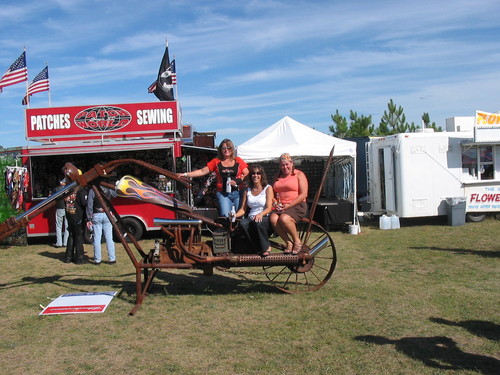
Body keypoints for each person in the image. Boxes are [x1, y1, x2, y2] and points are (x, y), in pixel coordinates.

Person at [177, 139, 249, 217]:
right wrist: (185, 174)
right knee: (226, 216)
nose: (226, 150)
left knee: (238, 216)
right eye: (223, 148)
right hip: (223, 194)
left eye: (228, 148)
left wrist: (238, 180)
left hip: (238, 193)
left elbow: (246, 173)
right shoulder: (216, 161)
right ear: (220, 150)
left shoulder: (238, 160)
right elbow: (202, 171)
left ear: (232, 149)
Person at [270, 153, 309, 255]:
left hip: (297, 205)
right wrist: (275, 203)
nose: (285, 167)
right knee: (273, 218)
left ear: (291, 163)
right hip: (281, 206)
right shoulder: (277, 176)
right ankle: (288, 242)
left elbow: (304, 194)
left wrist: (290, 205)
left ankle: (297, 241)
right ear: (279, 166)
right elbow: (272, 194)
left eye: (287, 164)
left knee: (284, 218)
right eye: (282, 165)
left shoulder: (299, 174)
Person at [234, 165, 274, 256]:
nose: (255, 175)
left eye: (258, 173)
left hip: (264, 217)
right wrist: (234, 215)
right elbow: (243, 209)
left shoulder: (268, 188)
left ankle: (266, 247)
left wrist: (261, 214)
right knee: (243, 223)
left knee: (257, 222)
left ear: (262, 175)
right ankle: (255, 248)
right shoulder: (247, 190)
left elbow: (269, 208)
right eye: (253, 173)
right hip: (251, 217)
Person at [86, 185, 117, 265]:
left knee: (97, 238)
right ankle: (112, 259)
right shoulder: (109, 189)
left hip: (97, 214)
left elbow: (89, 205)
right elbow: (116, 194)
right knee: (109, 238)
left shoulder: (92, 190)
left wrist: (89, 218)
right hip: (107, 213)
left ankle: (97, 259)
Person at [64, 185, 88, 264]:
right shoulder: (80, 190)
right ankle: (79, 258)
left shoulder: (67, 190)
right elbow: (84, 203)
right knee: (78, 237)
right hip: (78, 216)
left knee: (71, 235)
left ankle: (68, 257)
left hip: (69, 214)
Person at [53, 179, 69, 248]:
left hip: (59, 208)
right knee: (67, 226)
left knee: (58, 225)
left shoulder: (56, 189)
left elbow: (52, 198)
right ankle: (65, 242)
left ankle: (59, 243)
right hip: (67, 208)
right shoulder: (69, 188)